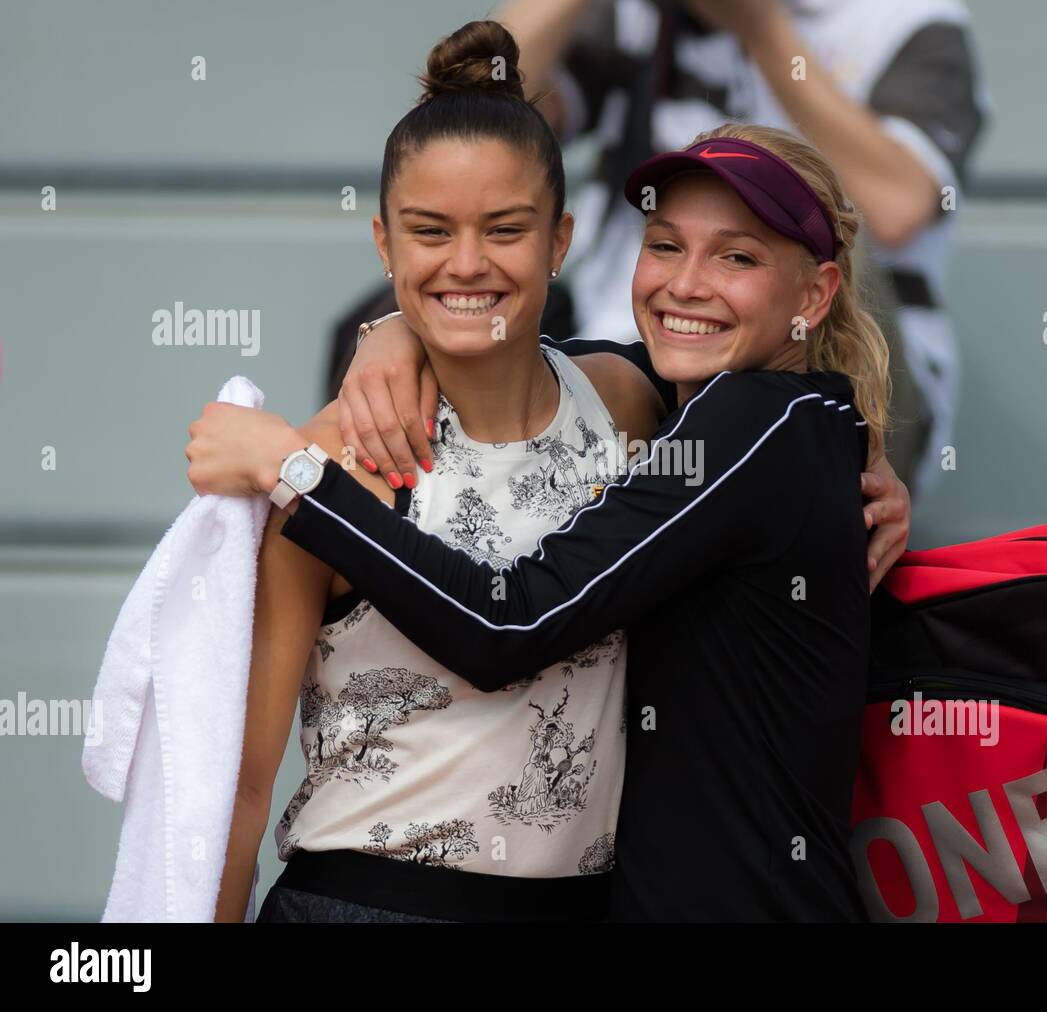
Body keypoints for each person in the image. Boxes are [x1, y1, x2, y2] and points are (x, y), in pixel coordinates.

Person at [189, 119, 893, 921]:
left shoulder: (746, 423)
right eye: (665, 245)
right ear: (386, 244)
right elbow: (234, 788)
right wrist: (395, 330)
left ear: (815, 293)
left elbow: (509, 624)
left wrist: (295, 475)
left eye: (737, 257)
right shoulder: (677, 410)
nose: (687, 284)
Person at [330, 0, 987, 501]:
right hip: (623, 349)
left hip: (820, 355)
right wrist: (400, 330)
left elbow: (899, 205)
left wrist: (762, 31)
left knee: (824, 262)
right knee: (385, 320)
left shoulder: (900, 21)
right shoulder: (639, 19)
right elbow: (465, 115)